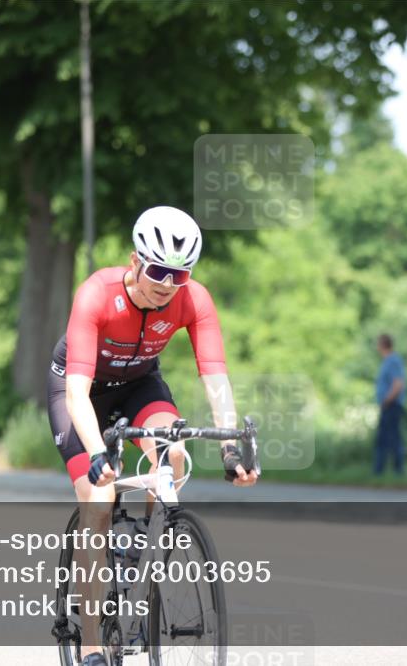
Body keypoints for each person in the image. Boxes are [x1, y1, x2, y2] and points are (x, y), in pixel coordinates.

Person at [47, 206, 258, 666]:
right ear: (135, 260)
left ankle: (140, 557)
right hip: (80, 393)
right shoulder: (96, 295)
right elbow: (78, 394)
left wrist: (229, 446)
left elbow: (215, 376)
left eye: (179, 275)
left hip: (140, 385)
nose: (166, 284)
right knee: (98, 503)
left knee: (174, 454)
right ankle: (90, 644)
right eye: (158, 270)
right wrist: (100, 453)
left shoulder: (193, 299)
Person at [373, 334, 406, 475]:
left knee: (392, 439)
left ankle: (396, 471)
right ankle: (379, 471)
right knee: (383, 439)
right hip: (388, 405)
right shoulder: (387, 361)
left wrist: (386, 401)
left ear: (382, 345)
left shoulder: (393, 361)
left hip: (391, 406)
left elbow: (398, 384)